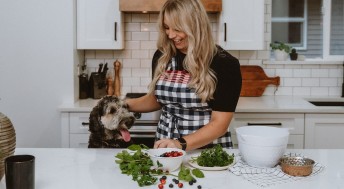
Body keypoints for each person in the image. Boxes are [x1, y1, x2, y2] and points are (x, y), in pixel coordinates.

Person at [126, 0, 242, 151]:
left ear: (195, 25)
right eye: (167, 27)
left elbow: (219, 124)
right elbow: (157, 99)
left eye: (178, 28)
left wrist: (179, 144)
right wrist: (123, 105)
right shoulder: (163, 56)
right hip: (165, 144)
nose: (171, 35)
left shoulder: (225, 64)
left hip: (208, 152)